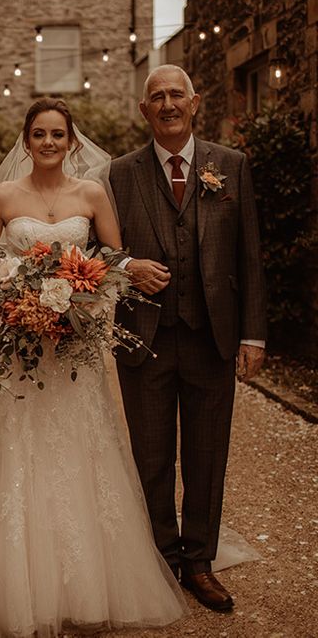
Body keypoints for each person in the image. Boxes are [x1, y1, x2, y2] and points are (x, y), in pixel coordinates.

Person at [0, 98, 187, 637]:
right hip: (23, 352)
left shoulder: (91, 194)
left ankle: (89, 584)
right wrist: (14, 294)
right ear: (25, 140)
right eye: (38, 134)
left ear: (70, 142)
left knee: (82, 451)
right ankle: (18, 586)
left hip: (75, 350)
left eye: (57, 135)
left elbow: (114, 264)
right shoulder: (0, 196)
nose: (47, 143)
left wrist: (81, 303)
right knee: (25, 449)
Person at [109, 64, 267, 612]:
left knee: (206, 455)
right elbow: (91, 249)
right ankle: (159, 557)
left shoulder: (231, 166)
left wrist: (254, 335)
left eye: (178, 94)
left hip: (212, 336)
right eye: (158, 96)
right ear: (144, 109)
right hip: (143, 337)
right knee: (151, 457)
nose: (169, 103)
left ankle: (199, 562)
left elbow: (249, 256)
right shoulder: (119, 174)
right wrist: (127, 264)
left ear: (195, 102)